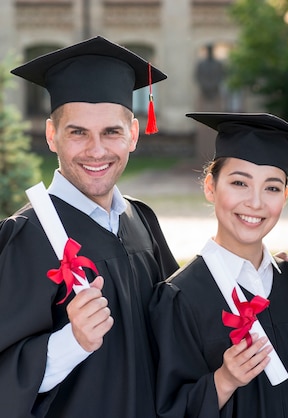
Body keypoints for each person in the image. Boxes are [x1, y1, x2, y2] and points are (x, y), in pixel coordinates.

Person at [0, 37, 178, 417]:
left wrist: (270, 276)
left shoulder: (141, 221)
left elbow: (181, 319)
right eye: (78, 132)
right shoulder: (25, 237)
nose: (96, 150)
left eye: (111, 132)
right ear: (52, 135)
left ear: (132, 133)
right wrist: (72, 341)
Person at [149, 112, 288, 418]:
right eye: (239, 183)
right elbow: (169, 408)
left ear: (285, 196)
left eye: (272, 188)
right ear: (210, 187)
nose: (256, 202)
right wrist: (224, 380)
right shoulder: (180, 297)